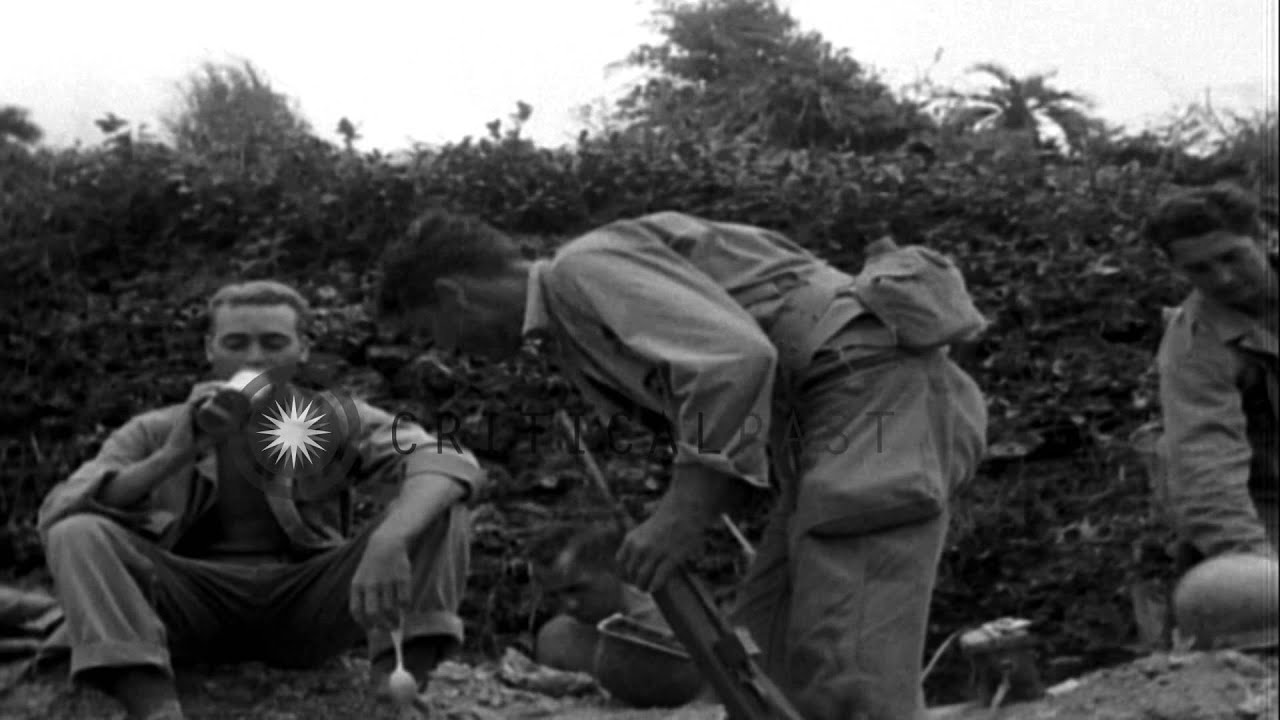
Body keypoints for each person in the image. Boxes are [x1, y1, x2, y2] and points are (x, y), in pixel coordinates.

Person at [375, 209, 989, 720]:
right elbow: (730, 391)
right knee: (764, 661)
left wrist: (682, 514)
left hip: (867, 398)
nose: (449, 352)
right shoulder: (572, 321)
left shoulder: (580, 270)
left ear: (452, 294)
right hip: (834, 418)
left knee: (845, 666)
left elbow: (732, 362)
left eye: (434, 332)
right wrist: (673, 518)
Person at [35, 280, 485, 720]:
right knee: (78, 531)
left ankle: (399, 695)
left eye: (273, 343)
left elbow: (446, 457)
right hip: (189, 605)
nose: (253, 358)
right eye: (236, 343)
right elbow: (61, 510)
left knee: (438, 507)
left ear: (302, 349)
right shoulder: (157, 429)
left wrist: (390, 540)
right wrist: (173, 456)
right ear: (210, 349)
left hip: (306, 603)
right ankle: (152, 705)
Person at [1143, 183, 1278, 645]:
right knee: (1238, 612)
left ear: (1263, 236)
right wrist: (1254, 568)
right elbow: (1206, 465)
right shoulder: (1193, 345)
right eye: (1199, 269)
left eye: (1231, 256)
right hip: (1264, 506)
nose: (1221, 277)